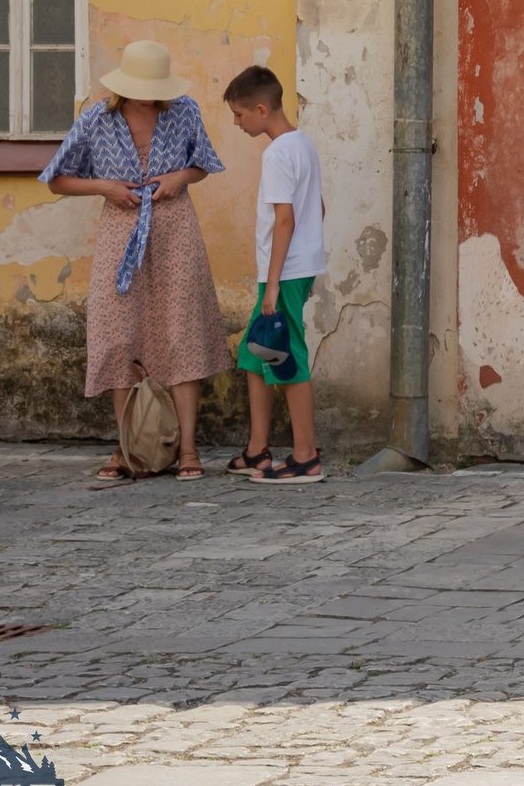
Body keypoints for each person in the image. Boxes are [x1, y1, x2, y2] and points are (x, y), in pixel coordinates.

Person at [39, 40, 228, 482]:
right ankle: (126, 449)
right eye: (141, 86)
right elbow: (56, 180)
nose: (148, 95)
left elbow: (202, 164)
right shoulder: (96, 119)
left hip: (175, 230)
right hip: (121, 233)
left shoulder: (184, 111)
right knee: (117, 336)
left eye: (155, 86)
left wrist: (182, 176)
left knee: (180, 335)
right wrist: (104, 187)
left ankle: (187, 448)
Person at [222, 66, 328, 483]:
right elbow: (317, 209)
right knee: (254, 352)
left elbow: (284, 219)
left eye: (239, 114)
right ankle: (257, 450)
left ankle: (305, 457)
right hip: (295, 269)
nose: (237, 122)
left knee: (288, 359)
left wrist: (274, 282)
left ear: (261, 110)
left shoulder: (277, 153)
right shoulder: (303, 145)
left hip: (282, 273)